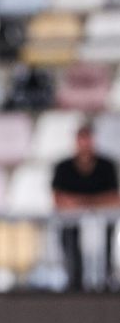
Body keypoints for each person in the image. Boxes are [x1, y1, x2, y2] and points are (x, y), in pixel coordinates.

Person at [52, 124, 120, 291]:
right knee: (69, 230)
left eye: (88, 140)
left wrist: (81, 203)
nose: (85, 144)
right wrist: (92, 202)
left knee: (106, 228)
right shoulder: (64, 167)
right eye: (82, 140)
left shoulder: (106, 166)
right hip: (72, 223)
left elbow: (114, 198)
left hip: (103, 221)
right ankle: (74, 278)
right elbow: (59, 200)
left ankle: (106, 277)